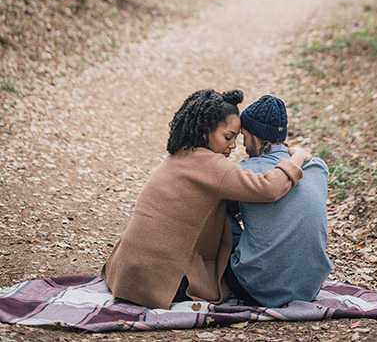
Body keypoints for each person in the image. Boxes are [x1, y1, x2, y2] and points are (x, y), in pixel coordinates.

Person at [102, 89, 312, 309]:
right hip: (159, 284)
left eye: (236, 138)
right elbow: (268, 189)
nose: (233, 145)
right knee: (238, 258)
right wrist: (297, 157)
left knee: (225, 215)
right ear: (205, 132)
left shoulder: (181, 153)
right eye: (228, 137)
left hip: (126, 275)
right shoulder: (213, 166)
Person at [224, 94, 333, 307]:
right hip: (309, 288)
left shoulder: (244, 172)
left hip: (254, 288)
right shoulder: (318, 168)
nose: (243, 145)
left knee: (216, 210)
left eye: (244, 136)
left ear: (254, 138)